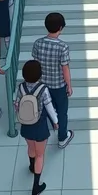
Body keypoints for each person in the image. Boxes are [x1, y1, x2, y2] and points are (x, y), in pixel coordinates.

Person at [15, 59, 58, 195]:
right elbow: (49, 106)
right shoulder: (43, 89)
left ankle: (31, 166)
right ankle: (36, 187)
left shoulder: (20, 87)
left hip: (25, 124)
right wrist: (56, 122)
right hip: (39, 125)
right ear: (39, 74)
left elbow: (16, 104)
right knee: (40, 154)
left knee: (31, 148)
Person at [32, 13, 74, 149]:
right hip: (59, 86)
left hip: (42, 85)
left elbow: (35, 64)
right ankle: (62, 137)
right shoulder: (63, 46)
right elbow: (65, 68)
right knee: (62, 111)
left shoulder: (38, 43)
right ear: (60, 27)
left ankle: (47, 130)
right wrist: (69, 85)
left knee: (45, 109)